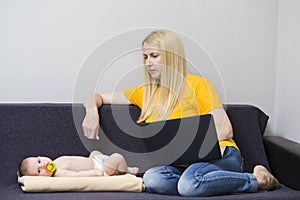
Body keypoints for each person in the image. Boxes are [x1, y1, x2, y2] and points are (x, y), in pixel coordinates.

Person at [82, 29, 279, 196]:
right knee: (152, 178)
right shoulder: (145, 93)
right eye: (145, 57)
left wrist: (186, 148)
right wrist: (92, 112)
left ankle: (257, 180)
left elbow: (225, 129)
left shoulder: (198, 85)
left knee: (189, 184)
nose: (148, 62)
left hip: (221, 155)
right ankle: (207, 183)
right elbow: (95, 96)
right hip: (181, 165)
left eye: (154, 56)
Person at [18, 150, 139, 177]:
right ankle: (126, 171)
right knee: (117, 157)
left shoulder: (55, 162)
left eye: (39, 161)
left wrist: (91, 159)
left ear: (40, 156)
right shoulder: (59, 173)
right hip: (100, 168)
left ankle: (115, 170)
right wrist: (94, 173)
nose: (43, 165)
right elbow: (77, 176)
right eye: (39, 171)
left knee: (94, 152)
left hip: (93, 161)